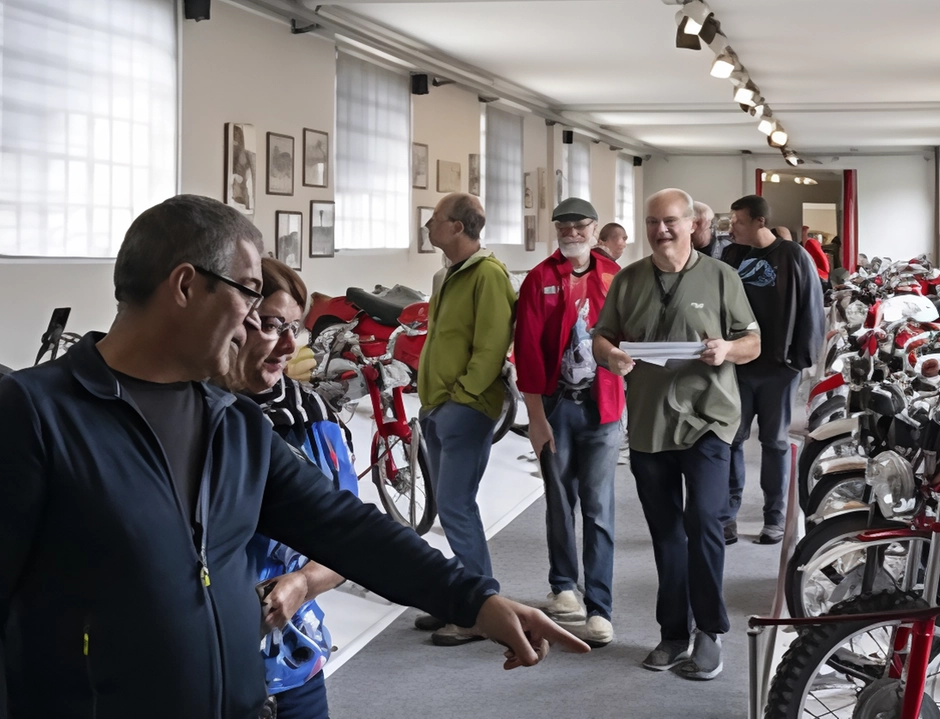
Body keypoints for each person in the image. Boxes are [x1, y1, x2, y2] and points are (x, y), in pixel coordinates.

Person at [0, 195, 587, 719]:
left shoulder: (229, 422)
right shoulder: (35, 414)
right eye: (249, 292)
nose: (256, 321)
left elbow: (345, 527)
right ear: (184, 287)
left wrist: (475, 600)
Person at [593, 188, 760, 681]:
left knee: (704, 521)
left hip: (708, 418)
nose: (660, 230)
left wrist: (726, 350)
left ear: (692, 224)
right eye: (652, 222)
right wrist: (612, 356)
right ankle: (672, 633)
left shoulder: (722, 276)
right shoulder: (628, 280)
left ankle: (709, 631)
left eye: (669, 221)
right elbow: (602, 336)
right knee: (666, 535)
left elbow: (753, 342)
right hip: (648, 424)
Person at [213, 258, 348, 718]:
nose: (289, 345)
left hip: (295, 657)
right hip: (209, 664)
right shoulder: (192, 412)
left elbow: (349, 539)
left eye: (296, 327)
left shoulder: (313, 416)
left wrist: (304, 582)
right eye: (271, 326)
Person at [514, 198, 625, 648]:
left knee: (598, 507)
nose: (572, 232)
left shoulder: (615, 277)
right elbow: (526, 352)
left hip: (603, 408)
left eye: (581, 226)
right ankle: (564, 586)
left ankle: (600, 608)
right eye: (564, 225)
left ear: (596, 230)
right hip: (557, 407)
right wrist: (536, 419)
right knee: (559, 501)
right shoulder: (539, 279)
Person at [413, 192, 518, 647]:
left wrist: (462, 398)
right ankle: (461, 599)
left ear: (457, 226)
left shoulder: (489, 275)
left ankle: (479, 610)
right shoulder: (444, 275)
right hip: (438, 405)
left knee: (456, 507)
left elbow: (492, 346)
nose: (428, 226)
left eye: (434, 220)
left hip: (465, 409)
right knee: (450, 507)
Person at [721, 196, 824, 545]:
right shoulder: (732, 256)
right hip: (739, 365)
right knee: (732, 439)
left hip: (778, 368)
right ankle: (727, 517)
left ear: (759, 222)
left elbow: (813, 305)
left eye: (738, 220)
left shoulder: (793, 255)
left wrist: (799, 358)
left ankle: (774, 517)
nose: (731, 226)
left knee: (774, 442)